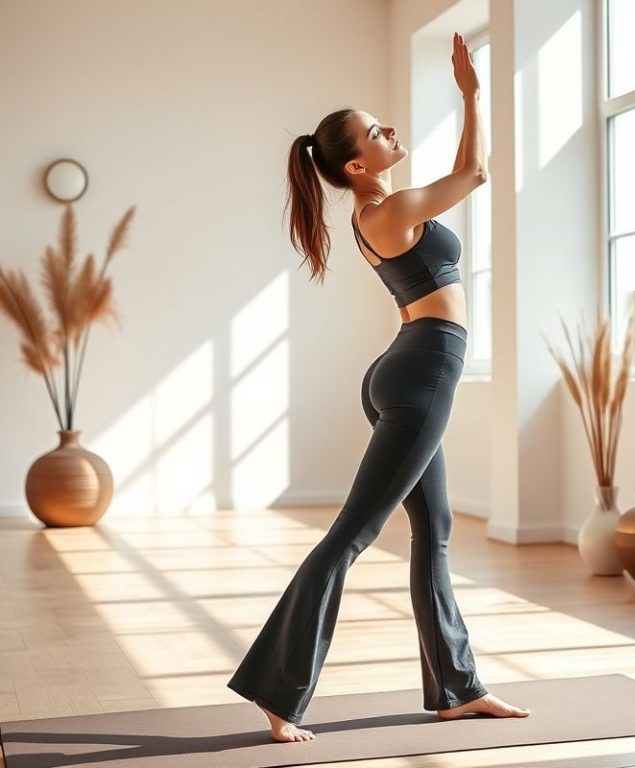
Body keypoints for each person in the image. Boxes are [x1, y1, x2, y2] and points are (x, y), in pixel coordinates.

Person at [227, 32, 531, 744]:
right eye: (375, 130)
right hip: (423, 369)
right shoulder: (386, 212)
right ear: (357, 163)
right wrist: (471, 93)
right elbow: (476, 172)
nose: (390, 129)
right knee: (352, 535)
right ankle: (277, 692)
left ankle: (456, 689)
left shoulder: (382, 210)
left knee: (436, 530)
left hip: (410, 362)